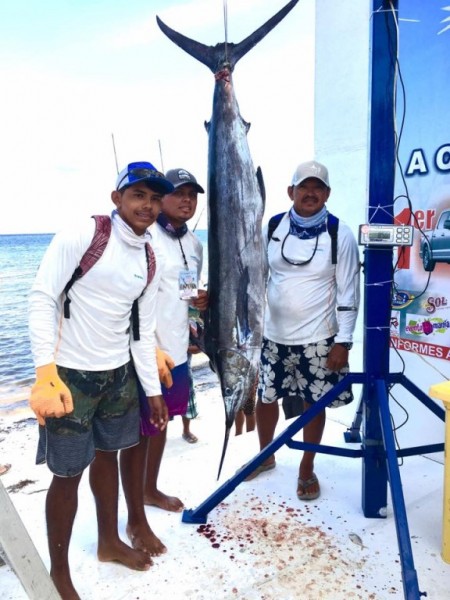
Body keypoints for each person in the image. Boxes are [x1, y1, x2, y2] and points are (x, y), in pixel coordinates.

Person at [28, 161, 173, 599]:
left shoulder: (152, 256)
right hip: (69, 376)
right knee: (67, 473)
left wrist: (151, 390)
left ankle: (109, 542)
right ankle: (59, 572)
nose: (146, 205)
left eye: (153, 198)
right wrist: (43, 372)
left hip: (119, 376)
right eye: (137, 196)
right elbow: (41, 297)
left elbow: (142, 331)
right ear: (118, 199)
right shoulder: (84, 236)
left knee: (109, 456)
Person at [246, 160, 360, 501]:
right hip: (273, 336)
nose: (310, 193)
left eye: (318, 187)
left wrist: (344, 342)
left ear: (327, 194)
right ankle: (265, 456)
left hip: (319, 339)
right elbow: (256, 280)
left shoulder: (341, 233)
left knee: (314, 403)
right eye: (304, 186)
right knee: (265, 398)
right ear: (290, 192)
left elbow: (349, 294)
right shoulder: (273, 227)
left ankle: (307, 467)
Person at [121, 167, 207, 522]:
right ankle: (132, 505)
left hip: (176, 352)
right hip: (143, 353)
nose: (186, 200)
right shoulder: (146, 237)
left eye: (193, 194)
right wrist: (147, 349)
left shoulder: (193, 243)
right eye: (178, 193)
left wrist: (199, 307)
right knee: (136, 430)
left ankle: (149, 488)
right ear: (161, 199)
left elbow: (184, 294)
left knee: (162, 423)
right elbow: (129, 299)